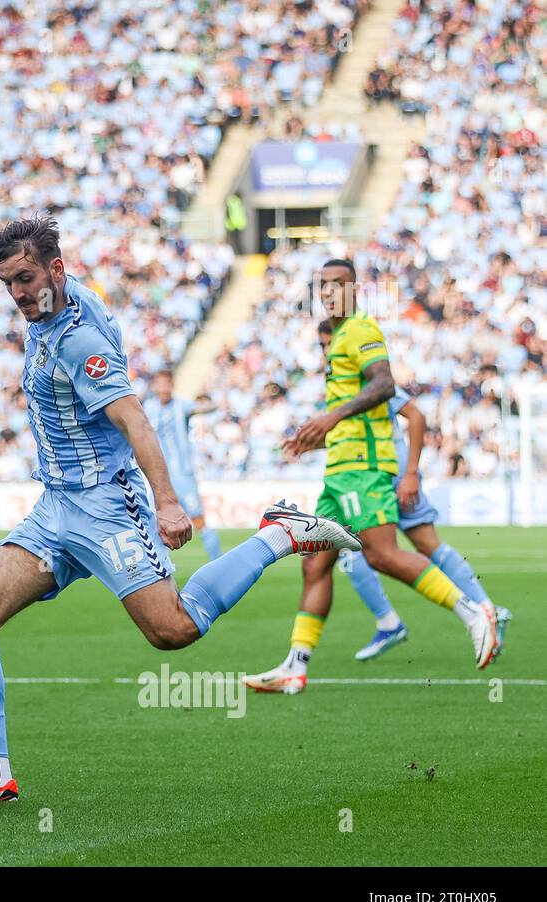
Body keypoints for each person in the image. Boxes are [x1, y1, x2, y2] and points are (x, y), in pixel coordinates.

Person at [0, 177, 360, 803]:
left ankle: (279, 535)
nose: (15, 294)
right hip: (55, 508)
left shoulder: (83, 343)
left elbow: (134, 419)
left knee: (172, 630)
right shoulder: (54, 297)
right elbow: (9, 250)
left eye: (24, 281)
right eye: (8, 282)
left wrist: (167, 500)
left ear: (56, 271)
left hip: (106, 506)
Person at [245, 261, 499, 695]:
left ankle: (474, 613)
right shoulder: (338, 337)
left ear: (355, 289)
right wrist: (318, 437)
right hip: (341, 470)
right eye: (322, 285)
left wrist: (331, 417)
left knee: (382, 554)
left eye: (338, 284)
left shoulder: (361, 330)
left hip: (364, 468)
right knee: (316, 564)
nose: (328, 292)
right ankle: (295, 666)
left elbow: (384, 386)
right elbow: (354, 411)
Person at [313, 321, 512, 660]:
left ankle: (401, 620)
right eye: (322, 345)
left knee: (357, 549)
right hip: (376, 471)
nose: (327, 351)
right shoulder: (340, 383)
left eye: (330, 342)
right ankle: (485, 607)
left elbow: (415, 416)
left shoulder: (366, 375)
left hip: (381, 474)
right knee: (398, 547)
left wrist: (410, 474)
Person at [142, 369, 222, 560]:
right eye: (160, 383)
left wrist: (205, 402)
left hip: (182, 473)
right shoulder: (147, 407)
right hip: (156, 475)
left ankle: (219, 562)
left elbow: (211, 407)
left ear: (172, 386)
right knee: (156, 522)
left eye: (167, 383)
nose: (164, 387)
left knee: (198, 519)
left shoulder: (182, 406)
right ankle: (158, 567)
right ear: (154, 386)